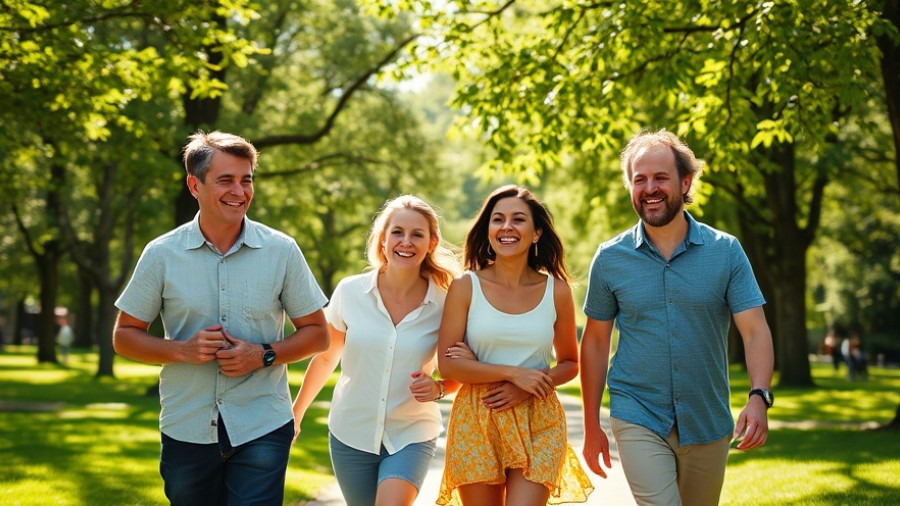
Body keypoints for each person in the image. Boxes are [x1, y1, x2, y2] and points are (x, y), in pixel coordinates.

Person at [113, 130, 329, 506]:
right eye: (225, 180)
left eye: (246, 180)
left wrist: (262, 354)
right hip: (188, 426)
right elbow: (124, 336)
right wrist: (182, 351)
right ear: (194, 185)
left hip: (262, 423)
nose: (239, 191)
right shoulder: (161, 254)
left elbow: (317, 334)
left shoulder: (282, 251)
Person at [580, 129, 775, 506]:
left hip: (707, 419)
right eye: (639, 179)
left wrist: (759, 396)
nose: (649, 188)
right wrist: (591, 426)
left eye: (660, 178)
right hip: (637, 412)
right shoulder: (610, 258)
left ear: (685, 182)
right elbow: (596, 342)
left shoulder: (726, 251)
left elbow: (754, 330)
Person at [291, 195, 461, 506]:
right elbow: (327, 356)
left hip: (412, 433)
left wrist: (438, 388)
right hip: (350, 432)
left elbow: (461, 366)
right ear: (382, 239)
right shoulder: (350, 291)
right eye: (397, 232)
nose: (406, 242)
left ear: (431, 242)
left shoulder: (446, 301)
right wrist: (296, 413)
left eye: (417, 234)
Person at [436, 185, 593, 506]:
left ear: (536, 233)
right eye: (498, 219)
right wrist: (514, 374)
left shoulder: (557, 291)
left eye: (518, 219)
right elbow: (449, 365)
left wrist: (525, 386)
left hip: (539, 416)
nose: (506, 227)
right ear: (488, 230)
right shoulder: (466, 286)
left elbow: (569, 364)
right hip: (479, 415)